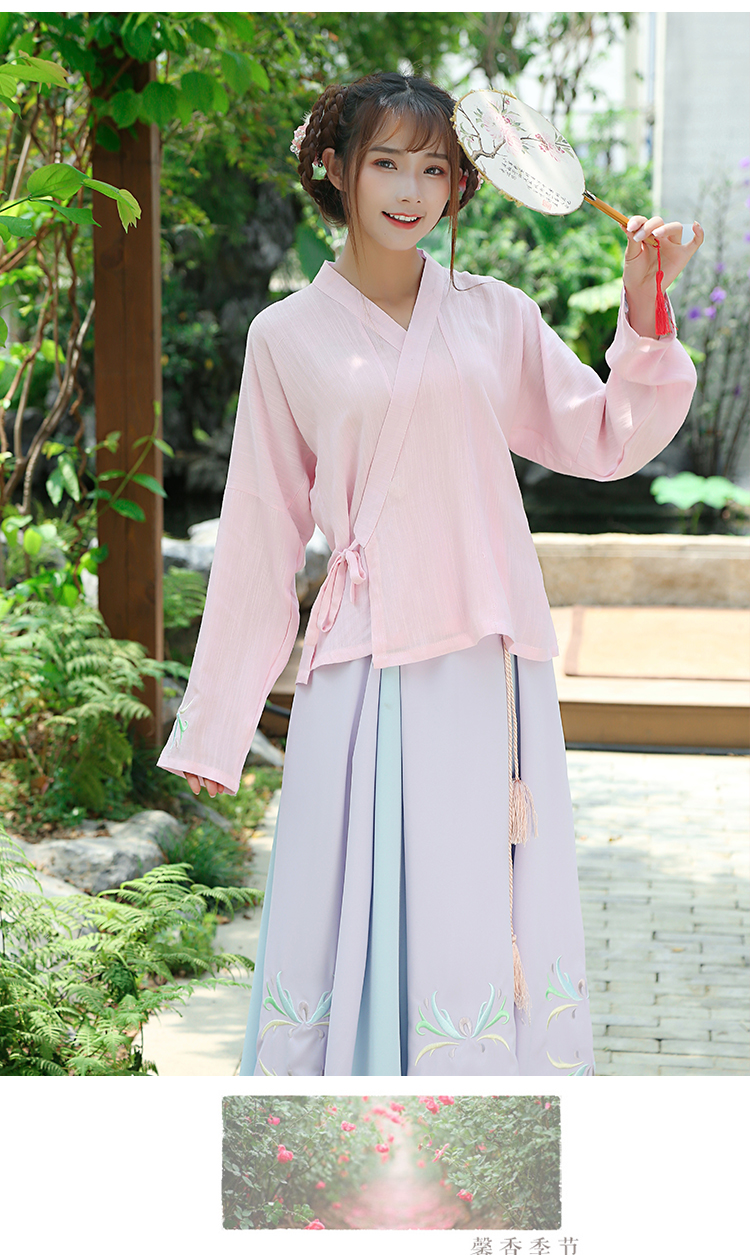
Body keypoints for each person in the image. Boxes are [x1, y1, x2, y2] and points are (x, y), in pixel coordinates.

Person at [157, 72, 701, 1077]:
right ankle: (343, 1135)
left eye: (435, 169)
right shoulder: (284, 337)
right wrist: (218, 721)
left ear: (460, 183)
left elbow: (604, 434)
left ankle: (476, 1141)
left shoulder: (495, 316)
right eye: (387, 164)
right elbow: (261, 533)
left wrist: (643, 301)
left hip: (484, 655)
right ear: (335, 169)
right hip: (362, 660)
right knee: (347, 898)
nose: (411, 191)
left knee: (469, 906)